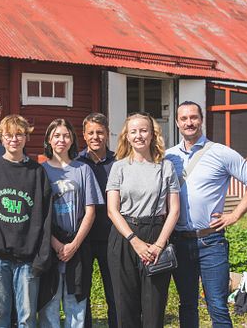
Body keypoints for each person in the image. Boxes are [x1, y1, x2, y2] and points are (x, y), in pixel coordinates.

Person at [165, 101, 247, 328]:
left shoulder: (221, 153)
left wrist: (235, 215)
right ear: (177, 123)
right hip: (179, 241)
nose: (189, 122)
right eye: (184, 118)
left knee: (217, 305)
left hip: (211, 241)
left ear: (201, 120)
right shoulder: (168, 157)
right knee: (187, 304)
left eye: (194, 117)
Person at [0, 114, 53, 328]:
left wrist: (41, 256)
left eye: (19, 135)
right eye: (8, 135)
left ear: (26, 138)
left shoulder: (37, 173)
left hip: (27, 258)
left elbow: (46, 217)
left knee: (26, 318)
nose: (13, 139)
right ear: (1, 138)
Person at [106, 113, 180, 328]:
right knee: (125, 306)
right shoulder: (118, 167)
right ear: (127, 136)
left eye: (143, 130)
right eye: (134, 131)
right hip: (124, 238)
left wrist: (159, 245)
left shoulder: (166, 167)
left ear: (152, 134)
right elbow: (112, 210)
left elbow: (173, 210)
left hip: (156, 235)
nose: (139, 135)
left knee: (154, 307)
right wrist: (134, 240)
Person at [39, 119, 104, 328]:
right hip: (50, 245)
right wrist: (56, 244)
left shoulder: (82, 170)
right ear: (49, 139)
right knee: (49, 301)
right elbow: (38, 215)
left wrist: (74, 245)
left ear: (72, 140)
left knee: (75, 301)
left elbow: (90, 211)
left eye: (66, 135)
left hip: (78, 244)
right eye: (57, 135)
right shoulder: (40, 171)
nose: (61, 140)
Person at [75, 113, 117, 328]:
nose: (95, 137)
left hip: (111, 236)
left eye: (100, 132)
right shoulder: (76, 163)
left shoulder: (117, 162)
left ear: (107, 134)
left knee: (114, 291)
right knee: (83, 290)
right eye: (91, 132)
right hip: (84, 237)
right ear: (84, 135)